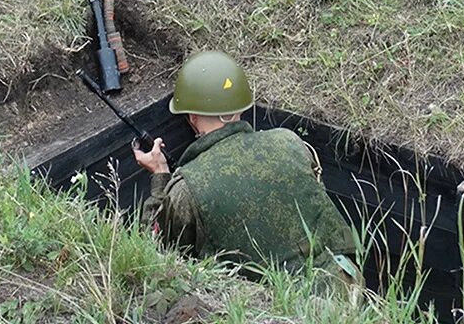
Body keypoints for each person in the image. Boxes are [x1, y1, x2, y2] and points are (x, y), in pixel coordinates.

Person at [133, 51, 358, 292]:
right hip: (345, 288)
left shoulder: (186, 189)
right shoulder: (291, 143)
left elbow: (153, 252)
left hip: (278, 311)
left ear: (192, 117)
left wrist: (160, 177)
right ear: (241, 106)